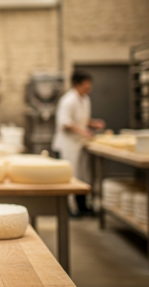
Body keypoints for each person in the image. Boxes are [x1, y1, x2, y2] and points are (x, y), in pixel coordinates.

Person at [52, 70, 105, 216]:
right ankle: (69, 208)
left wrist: (93, 123)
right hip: (67, 145)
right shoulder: (68, 100)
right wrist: (82, 131)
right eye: (86, 86)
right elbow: (65, 122)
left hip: (79, 144)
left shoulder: (85, 99)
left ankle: (83, 206)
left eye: (89, 87)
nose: (88, 89)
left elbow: (81, 118)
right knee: (70, 176)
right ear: (76, 84)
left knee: (83, 176)